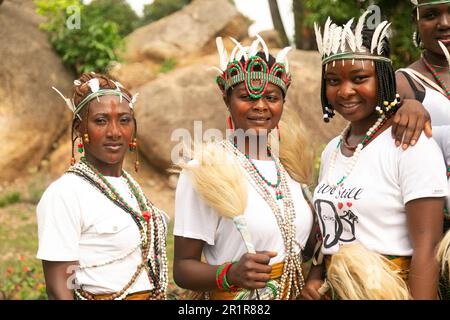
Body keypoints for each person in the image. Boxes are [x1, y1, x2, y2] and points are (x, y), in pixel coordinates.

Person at [302, 12, 447, 300]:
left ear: (383, 79)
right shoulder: (333, 148)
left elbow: (426, 249)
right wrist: (316, 278)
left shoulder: (410, 144)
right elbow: (330, 231)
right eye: (333, 80)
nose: (345, 91)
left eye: (359, 78)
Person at [173, 35, 317, 300]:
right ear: (227, 100)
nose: (260, 106)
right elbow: (182, 268)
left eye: (271, 97)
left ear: (282, 103)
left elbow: (299, 249)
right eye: (246, 96)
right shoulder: (206, 171)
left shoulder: (291, 168)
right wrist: (229, 275)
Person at [36, 72, 169, 300]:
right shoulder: (65, 194)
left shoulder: (130, 188)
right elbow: (59, 287)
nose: (115, 132)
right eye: (101, 120)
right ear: (79, 128)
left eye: (124, 120)